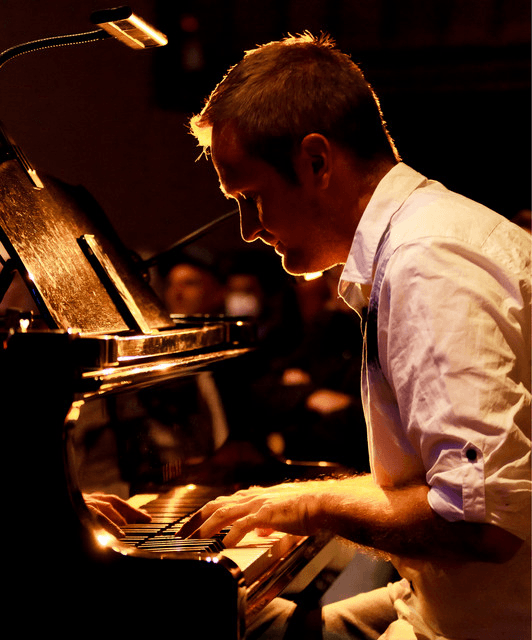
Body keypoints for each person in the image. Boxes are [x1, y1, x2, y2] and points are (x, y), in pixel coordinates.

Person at [183, 33, 531, 639]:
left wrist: (313, 505)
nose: (246, 230)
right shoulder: (417, 242)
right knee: (257, 627)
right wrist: (284, 501)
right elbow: (451, 487)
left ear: (317, 162)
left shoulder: (428, 263)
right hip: (447, 605)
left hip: (490, 626)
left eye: (252, 197)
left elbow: (482, 522)